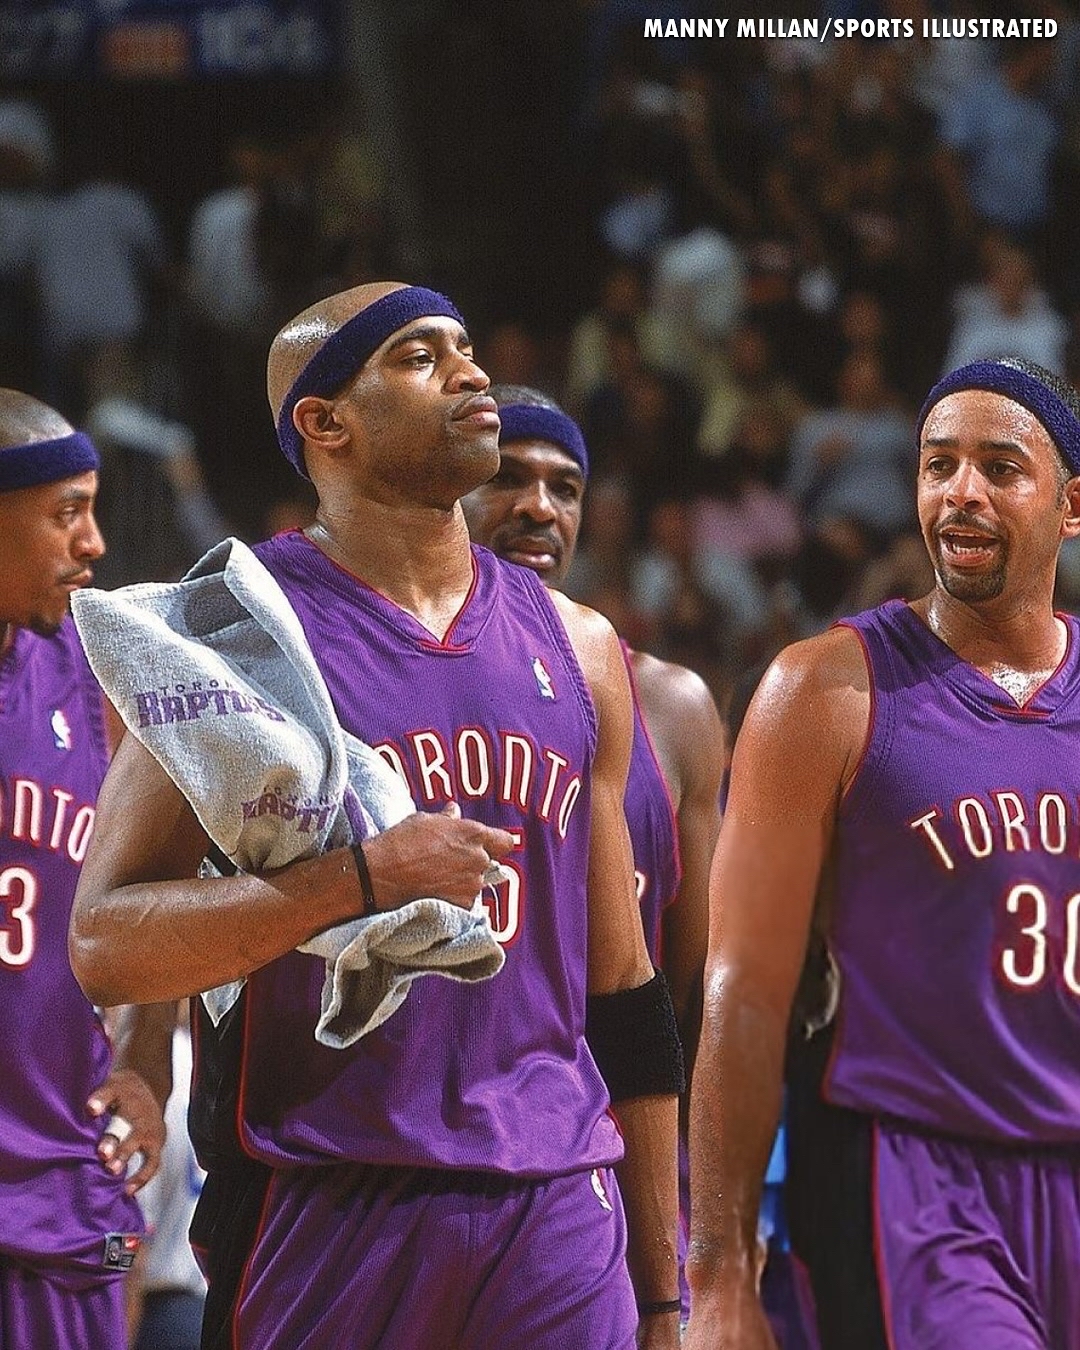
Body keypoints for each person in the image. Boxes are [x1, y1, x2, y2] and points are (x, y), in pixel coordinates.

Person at [68, 281, 684, 1349]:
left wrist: (666, 1297)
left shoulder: (582, 648)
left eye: (467, 347)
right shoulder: (236, 636)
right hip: (329, 1196)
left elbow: (625, 993)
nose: (471, 372)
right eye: (420, 356)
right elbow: (104, 944)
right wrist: (359, 881)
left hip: (555, 1203)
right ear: (325, 422)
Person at [684, 355, 1080, 1350]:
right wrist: (719, 1269)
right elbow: (744, 989)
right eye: (939, 464)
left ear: (1071, 506)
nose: (962, 492)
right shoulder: (822, 691)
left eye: (1000, 468)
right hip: (918, 1178)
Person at [460, 383, 728, 1320]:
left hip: (619, 1154)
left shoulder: (673, 707)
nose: (539, 506)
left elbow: (693, 988)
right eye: (508, 478)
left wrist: (703, 1206)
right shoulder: (405, 679)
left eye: (565, 487)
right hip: (454, 1150)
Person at [0, 388, 170, 1349]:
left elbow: (167, 888)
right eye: (66, 512)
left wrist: (146, 1060)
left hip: (69, 1199)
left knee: (124, 1275)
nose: (94, 542)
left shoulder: (96, 675)